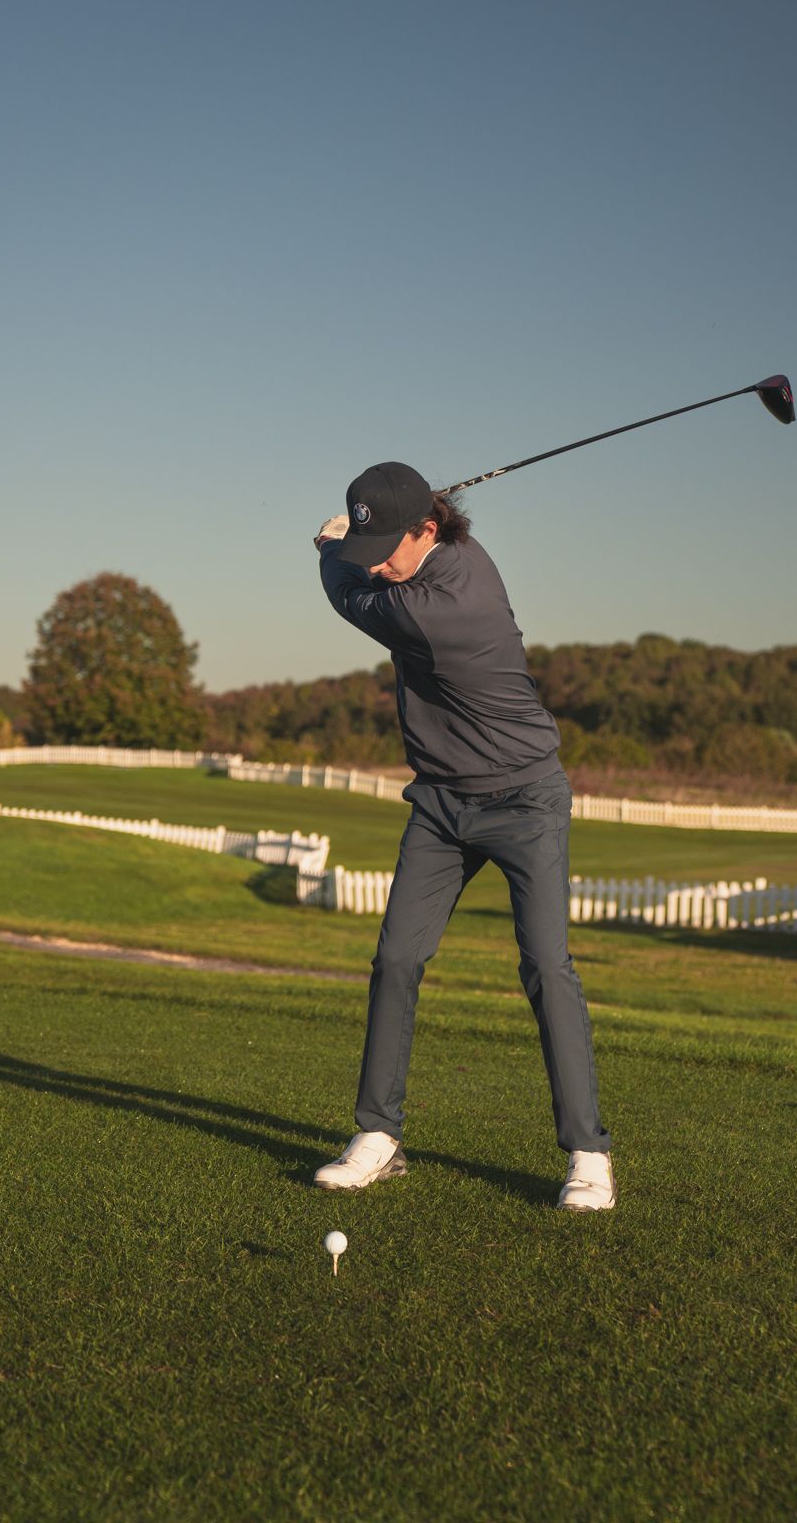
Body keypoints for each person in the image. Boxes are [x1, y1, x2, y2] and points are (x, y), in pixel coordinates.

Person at [310, 460, 614, 1211]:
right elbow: (376, 561)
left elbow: (348, 595)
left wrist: (331, 550)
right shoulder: (435, 546)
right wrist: (364, 534)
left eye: (386, 548)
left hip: (524, 799)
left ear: (428, 528)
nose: (377, 562)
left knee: (546, 965)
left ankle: (589, 1155)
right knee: (396, 957)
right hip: (442, 804)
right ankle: (378, 1135)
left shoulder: (444, 604)